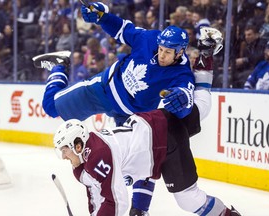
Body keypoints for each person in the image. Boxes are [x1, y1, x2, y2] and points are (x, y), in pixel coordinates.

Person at [32, 2, 223, 215]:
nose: (162, 55)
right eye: (161, 49)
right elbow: (123, 29)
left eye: (168, 52)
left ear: (180, 53)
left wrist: (184, 101)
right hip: (102, 90)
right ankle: (59, 65)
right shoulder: (150, 38)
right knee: (50, 107)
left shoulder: (182, 74)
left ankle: (140, 210)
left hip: (132, 115)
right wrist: (102, 17)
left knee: (146, 159)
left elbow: (188, 103)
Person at [53, 109, 241, 216]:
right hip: (149, 147)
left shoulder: (97, 156)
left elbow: (117, 201)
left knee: (188, 200)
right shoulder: (82, 165)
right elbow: (98, 197)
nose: (63, 157)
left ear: (77, 145)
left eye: (65, 150)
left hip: (165, 136)